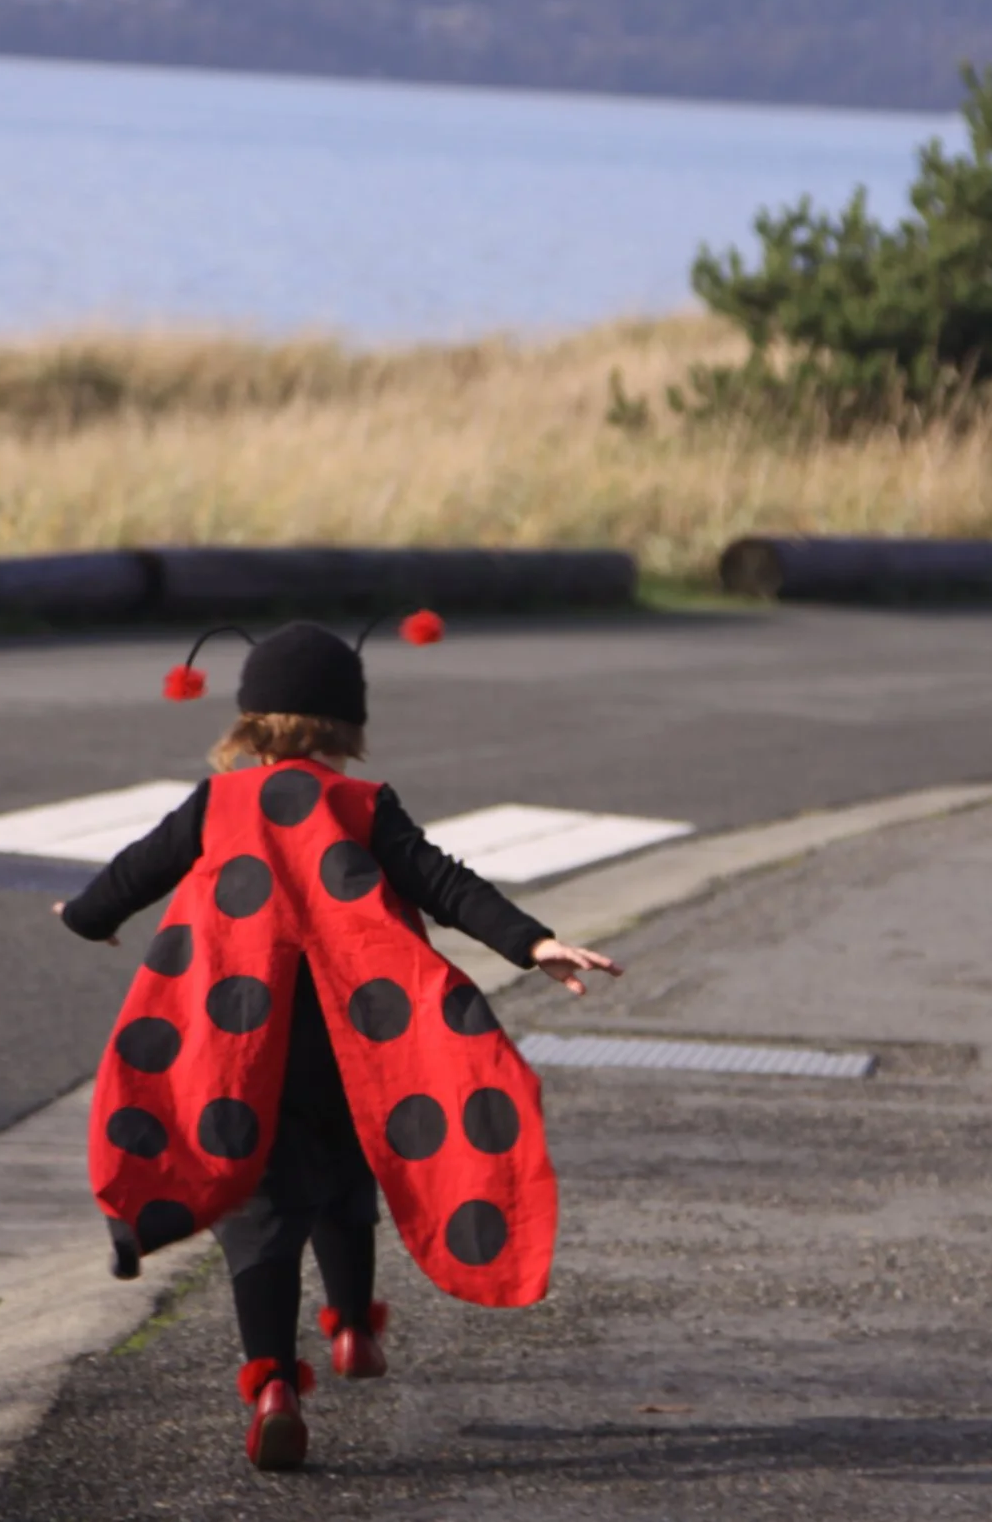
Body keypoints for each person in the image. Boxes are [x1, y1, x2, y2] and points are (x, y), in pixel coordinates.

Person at [55, 614, 618, 1472]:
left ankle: (274, 1381)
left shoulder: (217, 801)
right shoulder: (363, 805)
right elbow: (442, 879)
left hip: (247, 1045)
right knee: (353, 1173)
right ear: (347, 725)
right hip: (358, 1038)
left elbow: (134, 873)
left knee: (263, 1210)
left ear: (250, 721)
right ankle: (354, 1327)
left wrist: (87, 917)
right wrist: (532, 942)